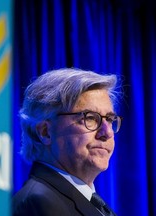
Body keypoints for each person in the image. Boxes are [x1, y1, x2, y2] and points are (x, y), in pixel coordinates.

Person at [12, 68, 122, 216]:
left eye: (109, 119)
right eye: (90, 118)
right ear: (45, 132)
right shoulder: (39, 204)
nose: (107, 132)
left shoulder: (91, 202)